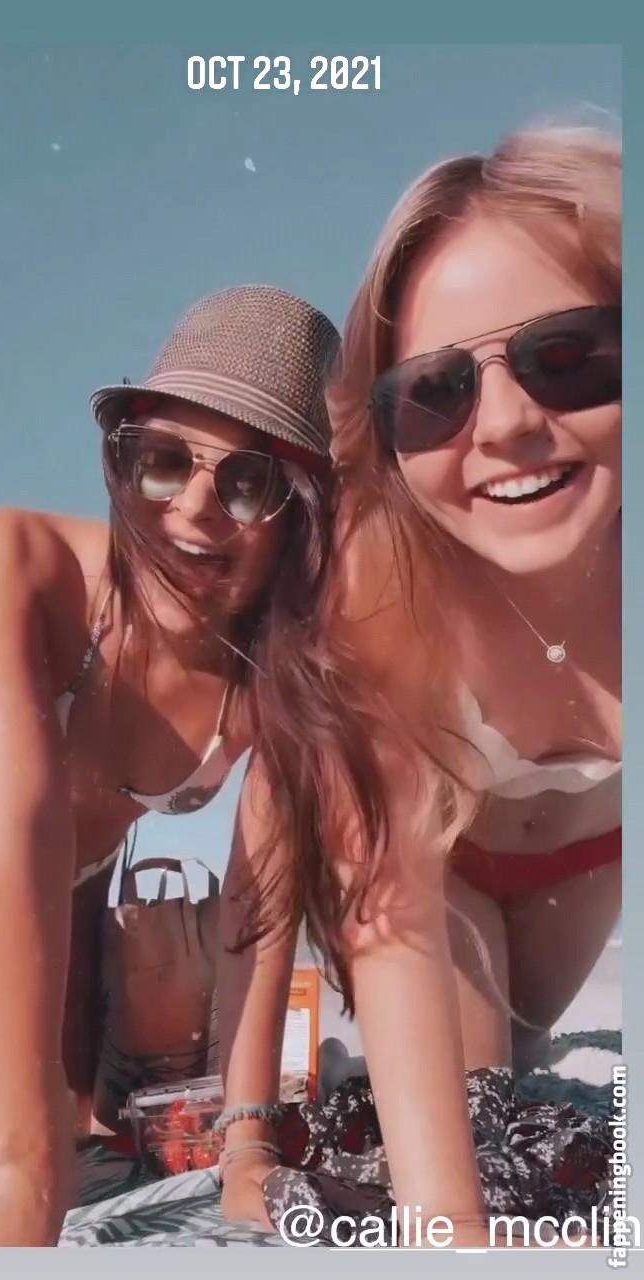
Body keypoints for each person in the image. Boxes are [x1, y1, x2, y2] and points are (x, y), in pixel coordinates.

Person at [217, 124, 621, 1247]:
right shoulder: (380, 580)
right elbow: (370, 899)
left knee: (528, 1081)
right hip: (444, 878)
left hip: (590, 865)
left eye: (569, 355)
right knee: (474, 1120)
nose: (507, 425)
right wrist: (250, 1143)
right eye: (436, 393)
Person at [0, 284, 342, 1246]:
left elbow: (257, 910)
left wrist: (249, 1146)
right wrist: (24, 1157)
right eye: (164, 461)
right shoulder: (23, 560)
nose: (193, 508)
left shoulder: (276, 673)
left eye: (248, 481)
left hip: (81, 890)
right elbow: (24, 813)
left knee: (89, 1138)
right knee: (3, 1172)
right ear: (123, 465)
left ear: (299, 515)